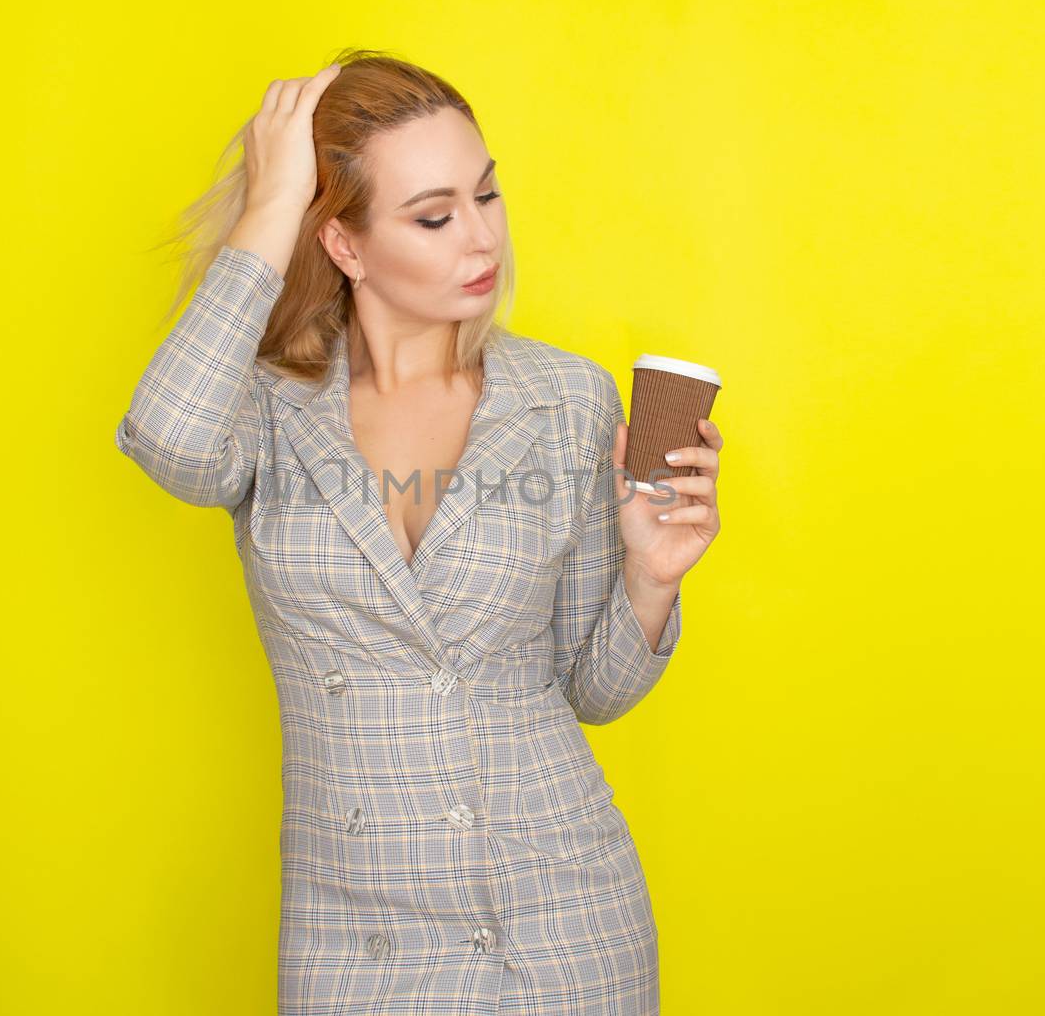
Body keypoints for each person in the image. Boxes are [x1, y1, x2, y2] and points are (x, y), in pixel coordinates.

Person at [115, 49, 723, 1015]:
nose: (481, 239)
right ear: (345, 246)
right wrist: (272, 211)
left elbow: (593, 689)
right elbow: (164, 437)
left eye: (487, 195)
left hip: (565, 925)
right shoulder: (267, 411)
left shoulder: (566, 399)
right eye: (434, 216)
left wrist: (652, 579)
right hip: (356, 937)